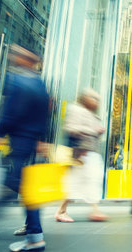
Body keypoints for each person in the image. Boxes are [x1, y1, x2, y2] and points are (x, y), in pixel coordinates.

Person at [0, 45, 49, 251]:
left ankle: (35, 237)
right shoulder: (40, 83)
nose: (15, 57)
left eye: (19, 55)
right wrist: (41, 140)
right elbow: (44, 114)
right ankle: (34, 233)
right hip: (30, 141)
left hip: (18, 140)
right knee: (15, 183)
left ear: (27, 60)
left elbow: (11, 112)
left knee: (19, 184)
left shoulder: (17, 80)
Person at [54, 89, 108, 223]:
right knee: (77, 181)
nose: (96, 102)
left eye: (97, 99)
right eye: (93, 98)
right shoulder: (76, 110)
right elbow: (71, 128)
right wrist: (93, 130)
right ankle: (62, 211)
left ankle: (93, 210)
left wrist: (97, 132)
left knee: (91, 180)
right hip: (80, 153)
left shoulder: (92, 114)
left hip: (90, 152)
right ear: (84, 98)